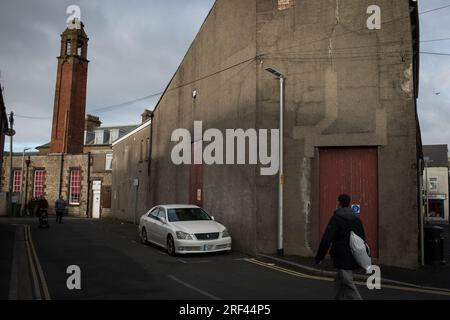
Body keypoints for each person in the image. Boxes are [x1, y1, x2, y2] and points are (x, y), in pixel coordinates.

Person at [315, 194, 366, 300]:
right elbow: (363, 239)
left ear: (339, 203)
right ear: (349, 203)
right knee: (340, 281)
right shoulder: (357, 220)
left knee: (348, 283)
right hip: (354, 256)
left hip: (342, 256)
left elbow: (326, 239)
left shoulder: (336, 219)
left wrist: (319, 257)